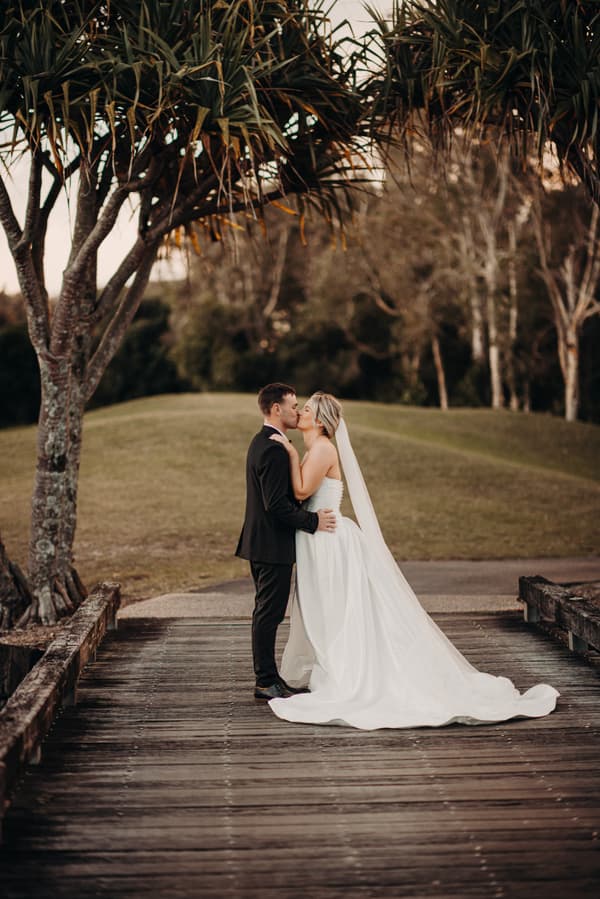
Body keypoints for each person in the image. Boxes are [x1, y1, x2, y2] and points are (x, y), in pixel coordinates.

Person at [267, 392, 559, 730]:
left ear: (320, 420)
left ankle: (352, 672)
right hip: (317, 540)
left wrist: (287, 451)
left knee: (339, 609)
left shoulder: (321, 449)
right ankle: (335, 664)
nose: (301, 412)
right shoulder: (314, 448)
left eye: (306, 409)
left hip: (330, 543)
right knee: (328, 608)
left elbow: (302, 492)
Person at [236, 383, 337, 701]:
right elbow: (276, 505)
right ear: (276, 409)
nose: (297, 410)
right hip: (271, 545)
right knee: (269, 613)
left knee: (267, 611)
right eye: (293, 406)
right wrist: (313, 521)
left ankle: (270, 678)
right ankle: (266, 681)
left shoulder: (264, 442)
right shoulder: (273, 448)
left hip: (264, 543)